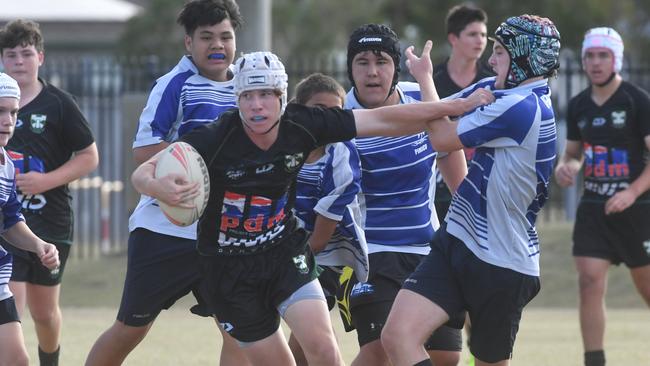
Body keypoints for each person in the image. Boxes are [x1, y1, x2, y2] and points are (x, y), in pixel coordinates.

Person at [131, 51, 492, 366]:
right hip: (228, 271)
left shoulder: (303, 124)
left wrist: (455, 106)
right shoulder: (214, 137)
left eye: (267, 95)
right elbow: (142, 172)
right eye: (248, 95)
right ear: (237, 99)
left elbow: (384, 119)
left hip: (284, 255)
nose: (257, 105)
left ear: (283, 97)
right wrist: (156, 185)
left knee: (323, 349)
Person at [381, 14, 561, 366]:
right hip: (457, 241)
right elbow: (437, 113)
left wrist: (424, 78)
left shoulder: (521, 107)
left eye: (499, 51)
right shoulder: (500, 89)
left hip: (502, 263)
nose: (491, 60)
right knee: (398, 336)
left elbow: (441, 137)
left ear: (525, 57)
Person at [84, 1, 249, 365]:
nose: (217, 45)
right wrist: (192, 163)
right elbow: (144, 152)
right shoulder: (175, 85)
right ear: (188, 42)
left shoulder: (247, 86)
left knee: (240, 333)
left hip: (225, 233)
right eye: (206, 37)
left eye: (225, 36)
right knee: (131, 328)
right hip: (165, 231)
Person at [344, 23, 467, 366]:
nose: (372, 71)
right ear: (350, 68)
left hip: (428, 250)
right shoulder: (340, 116)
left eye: (381, 61)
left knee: (446, 356)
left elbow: (448, 151)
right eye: (362, 62)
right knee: (380, 350)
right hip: (372, 255)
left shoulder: (420, 98)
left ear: (395, 68)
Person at [0, 19, 99, 366]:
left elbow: (90, 157)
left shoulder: (59, 103)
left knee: (45, 314)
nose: (18, 61)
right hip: (8, 228)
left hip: (49, 221)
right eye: (10, 54)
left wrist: (46, 180)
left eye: (26, 53)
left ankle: (49, 361)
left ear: (40, 57)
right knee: (13, 305)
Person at [554, 27, 650, 366]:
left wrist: (632, 191)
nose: (595, 63)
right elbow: (573, 154)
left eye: (603, 55)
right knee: (589, 281)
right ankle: (594, 362)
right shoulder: (579, 105)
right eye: (590, 56)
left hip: (638, 211)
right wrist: (567, 167)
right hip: (594, 209)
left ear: (616, 59)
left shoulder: (637, 101)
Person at [287, 73, 368, 365]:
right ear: (297, 108)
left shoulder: (342, 156)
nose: (326, 121)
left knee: (311, 337)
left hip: (327, 256)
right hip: (283, 249)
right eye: (318, 111)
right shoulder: (281, 146)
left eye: (335, 113)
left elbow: (319, 241)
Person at [0, 73, 60, 366]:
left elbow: (10, 220)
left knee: (17, 361)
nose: (8, 120)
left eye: (12, 111)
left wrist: (38, 245)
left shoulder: (7, 166)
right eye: (0, 110)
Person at [433, 3, 494, 221]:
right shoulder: (433, 82)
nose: (480, 40)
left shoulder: (492, 82)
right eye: (472, 34)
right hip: (438, 190)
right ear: (453, 39)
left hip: (482, 186)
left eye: (484, 34)